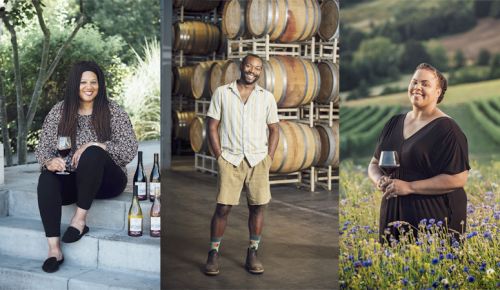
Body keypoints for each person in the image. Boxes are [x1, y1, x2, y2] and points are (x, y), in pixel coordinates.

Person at [35, 61, 138, 273]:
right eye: (83, 82)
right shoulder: (59, 111)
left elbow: (129, 148)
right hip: (75, 181)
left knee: (92, 153)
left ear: (100, 85)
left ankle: (80, 219)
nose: (89, 87)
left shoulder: (112, 110)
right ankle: (54, 249)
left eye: (94, 82)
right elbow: (43, 148)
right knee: (46, 178)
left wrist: (97, 144)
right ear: (75, 84)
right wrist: (48, 161)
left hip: (108, 181)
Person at [368, 63, 470, 243]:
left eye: (425, 84)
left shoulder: (448, 129)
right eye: (414, 82)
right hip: (393, 215)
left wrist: (409, 187)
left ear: (438, 92)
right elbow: (374, 164)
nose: (417, 87)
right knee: (393, 268)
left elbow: (458, 179)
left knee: (431, 267)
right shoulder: (394, 122)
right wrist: (379, 180)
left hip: (434, 218)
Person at [204, 53, 279, 275]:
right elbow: (212, 126)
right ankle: (213, 253)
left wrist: (269, 158)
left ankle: (253, 252)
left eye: (257, 68)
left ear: (260, 72)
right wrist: (219, 156)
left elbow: (275, 129)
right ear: (241, 66)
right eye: (249, 66)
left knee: (257, 207)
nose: (252, 71)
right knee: (223, 207)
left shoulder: (267, 97)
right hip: (231, 159)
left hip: (258, 160)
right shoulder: (222, 93)